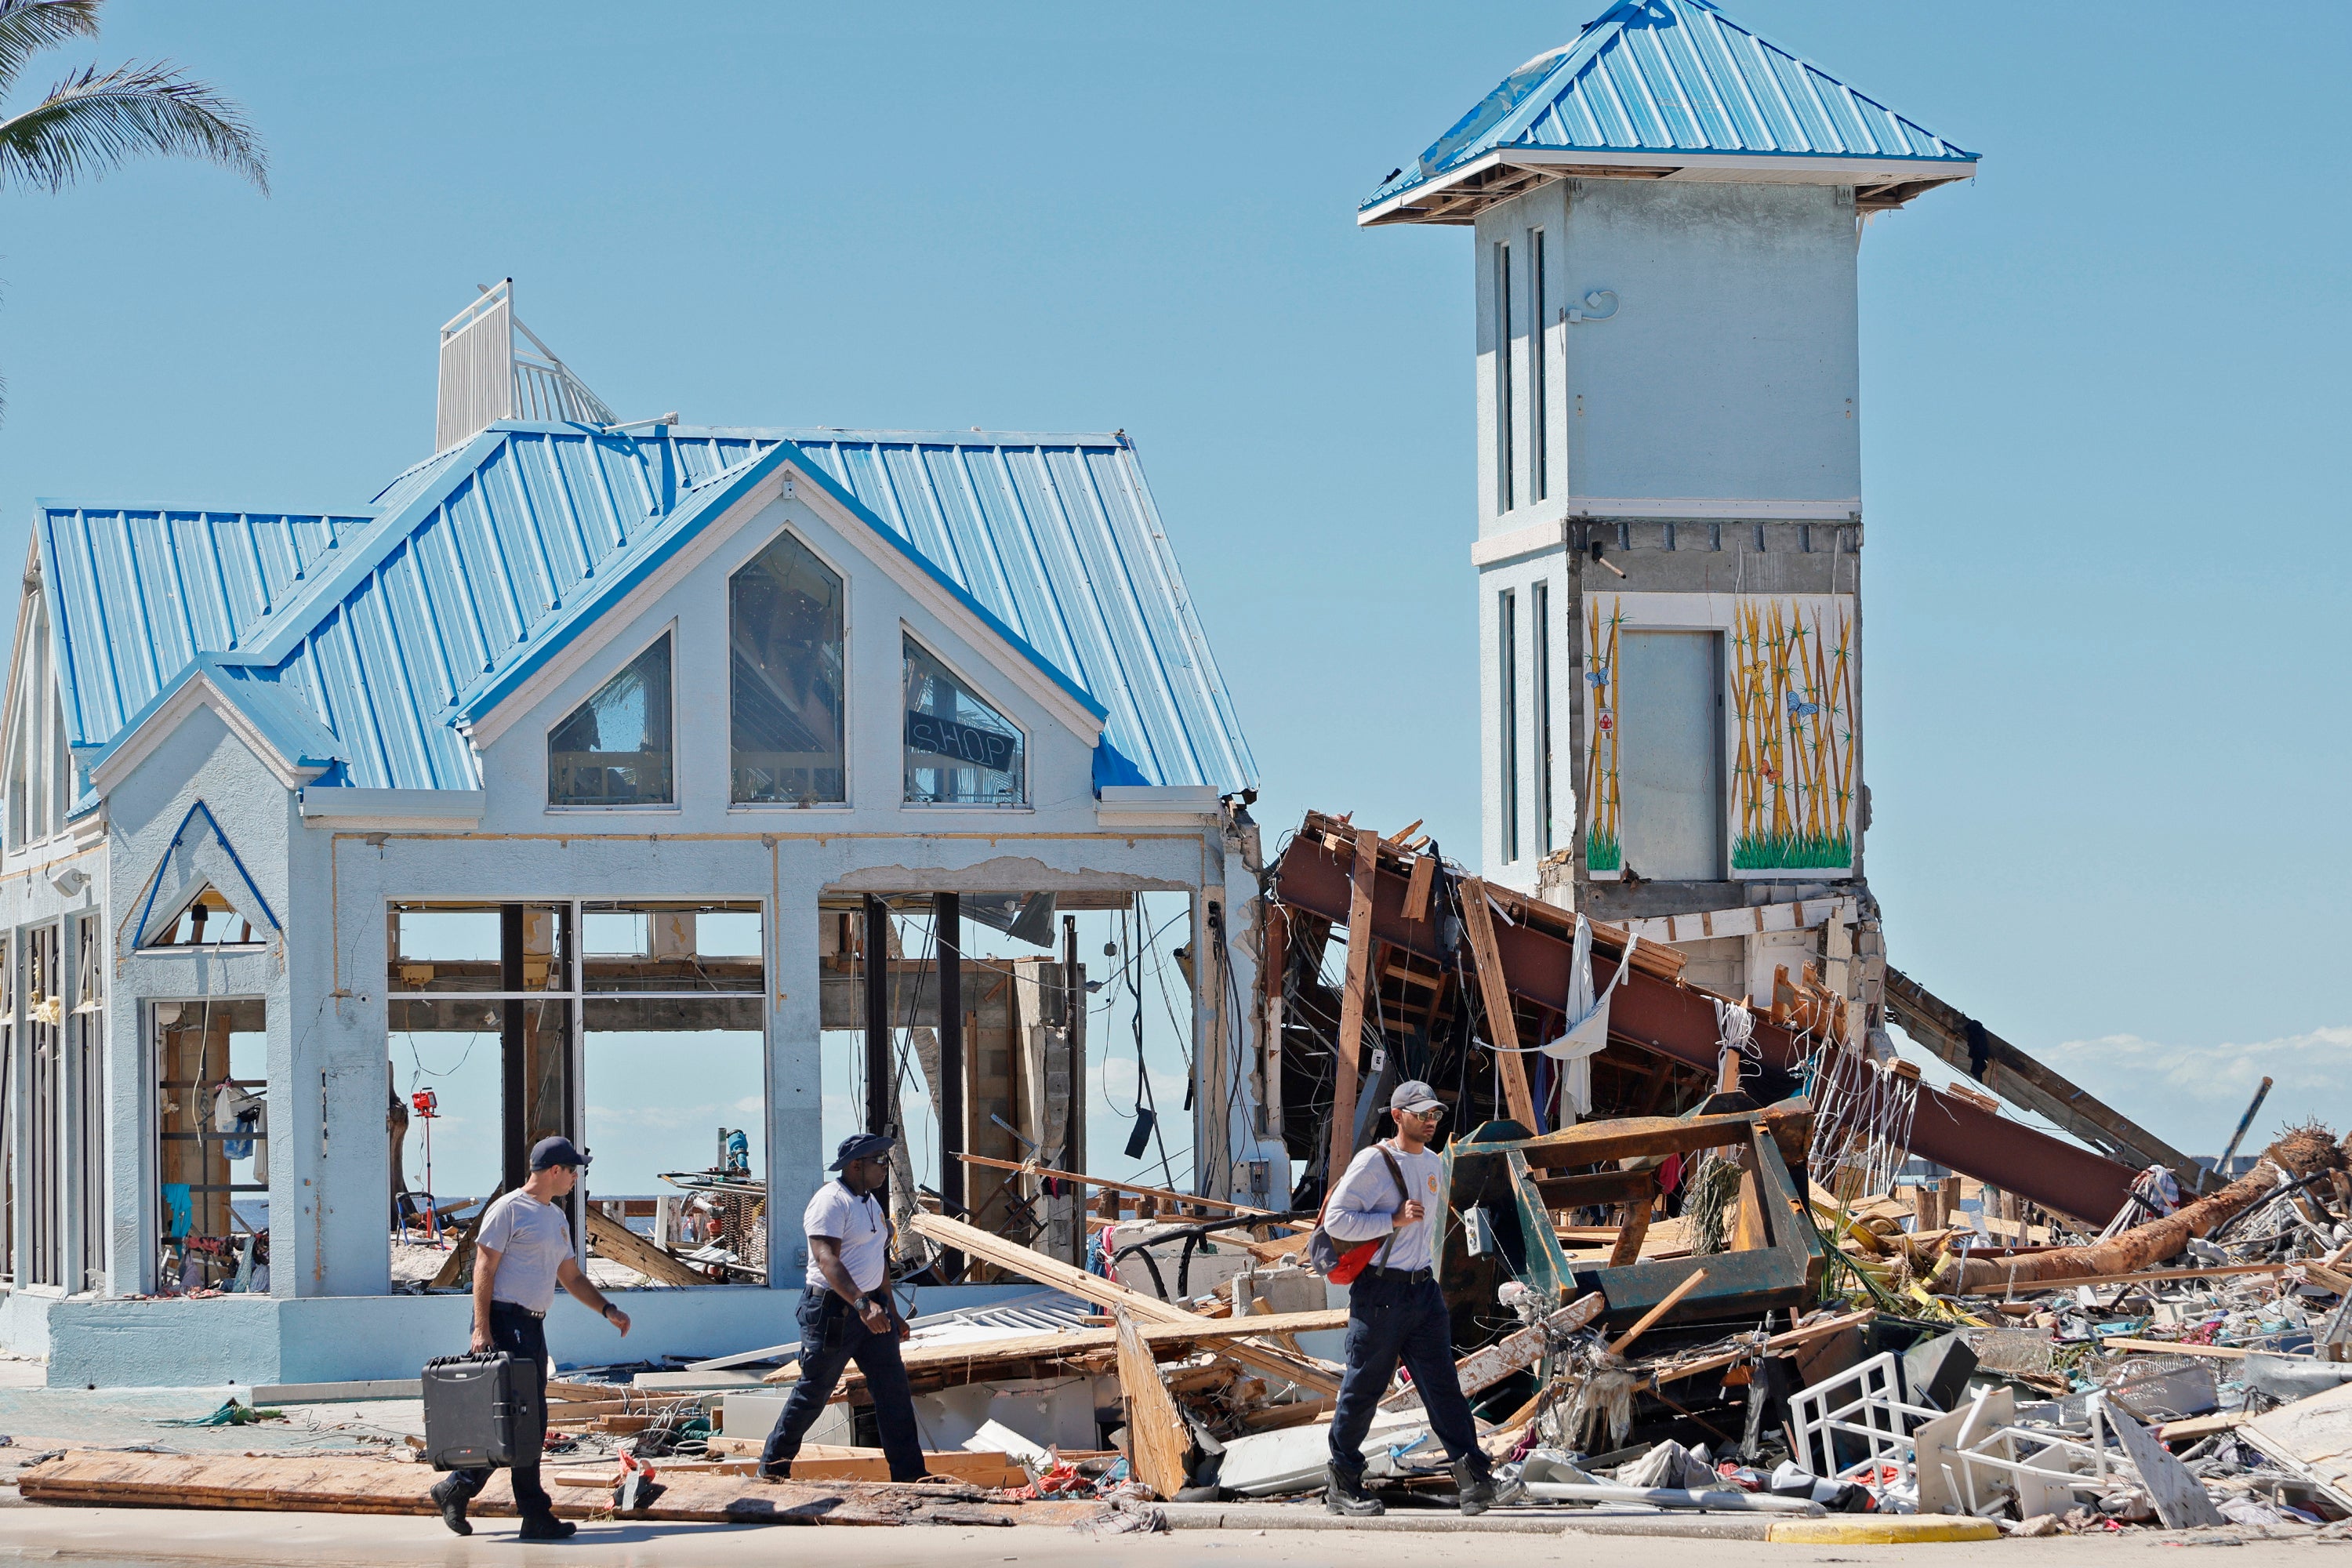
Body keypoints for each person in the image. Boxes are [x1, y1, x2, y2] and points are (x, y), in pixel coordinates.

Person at [1321, 1081, 1518, 1517]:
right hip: (1380, 1294)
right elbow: (1336, 1221)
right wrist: (1390, 1219)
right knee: (1363, 1389)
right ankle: (1342, 1482)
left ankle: (1475, 1482)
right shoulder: (1374, 1161)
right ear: (1397, 1116)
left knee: (1444, 1387)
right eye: (1422, 1114)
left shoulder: (1433, 1163)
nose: (1431, 1121)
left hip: (1423, 1292)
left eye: (1435, 1115)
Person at [431, 1136, 632, 1541]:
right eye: (573, 1170)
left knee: (529, 1421)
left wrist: (608, 1309)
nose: (577, 1177)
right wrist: (481, 1327)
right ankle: (528, 1511)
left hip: (533, 1326)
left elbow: (571, 1276)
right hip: (505, 1321)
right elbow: (483, 1268)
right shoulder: (508, 1209)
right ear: (554, 1171)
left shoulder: (555, 1217)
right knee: (517, 1419)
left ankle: (460, 1489)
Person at [759, 1133, 929, 1483]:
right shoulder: (830, 1202)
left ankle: (911, 1476)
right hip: (832, 1312)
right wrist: (864, 1304)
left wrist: (891, 1311)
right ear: (856, 1165)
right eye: (879, 1161)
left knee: (893, 1390)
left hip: (872, 1309)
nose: (885, 1168)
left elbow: (878, 1259)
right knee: (814, 1392)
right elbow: (827, 1260)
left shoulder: (870, 1202)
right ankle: (772, 1469)